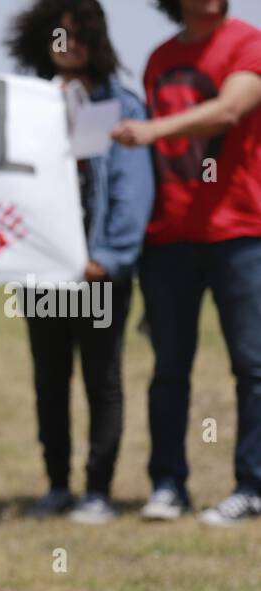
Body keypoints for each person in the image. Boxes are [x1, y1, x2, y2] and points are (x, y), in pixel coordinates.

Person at [112, 0, 261, 527]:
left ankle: (251, 486)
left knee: (252, 364)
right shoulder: (158, 58)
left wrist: (153, 130)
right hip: (168, 237)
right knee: (169, 369)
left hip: (239, 232)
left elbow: (230, 109)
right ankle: (168, 483)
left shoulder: (247, 42)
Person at [6, 0, 155, 524]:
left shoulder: (123, 106)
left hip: (98, 273)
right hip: (41, 273)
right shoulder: (23, 102)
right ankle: (56, 485)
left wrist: (109, 256)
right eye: (60, 35)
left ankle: (98, 489)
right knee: (49, 378)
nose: (70, 46)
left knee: (101, 377)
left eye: (81, 34)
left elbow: (132, 189)